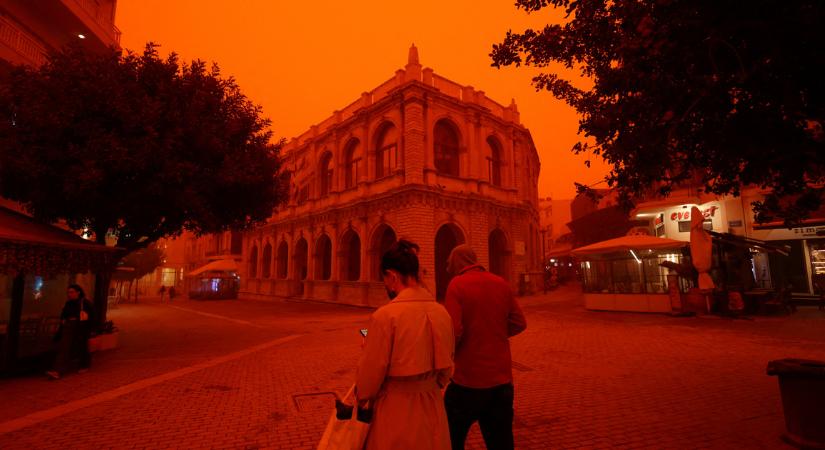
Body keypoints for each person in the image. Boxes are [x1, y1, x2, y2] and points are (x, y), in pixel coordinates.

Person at [356, 239, 455, 450]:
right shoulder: (442, 312)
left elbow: (369, 378)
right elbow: (446, 370)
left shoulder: (385, 316)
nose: (386, 286)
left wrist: (362, 398)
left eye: (384, 279)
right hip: (433, 405)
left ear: (392, 276)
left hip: (396, 408)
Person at [443, 244, 527, 450]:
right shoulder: (500, 282)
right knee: (501, 441)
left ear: (456, 262)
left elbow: (455, 331)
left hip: (468, 382)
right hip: (502, 381)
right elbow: (519, 322)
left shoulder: (457, 285)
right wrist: (494, 333)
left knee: (450, 437)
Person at [47, 284, 95, 379]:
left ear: (78, 292)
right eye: (68, 292)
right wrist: (63, 321)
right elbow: (64, 314)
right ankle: (57, 370)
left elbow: (92, 316)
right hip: (68, 327)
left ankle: (84, 365)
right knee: (64, 347)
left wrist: (89, 328)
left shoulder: (84, 302)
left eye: (72, 292)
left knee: (81, 346)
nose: (70, 294)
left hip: (80, 327)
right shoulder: (68, 303)